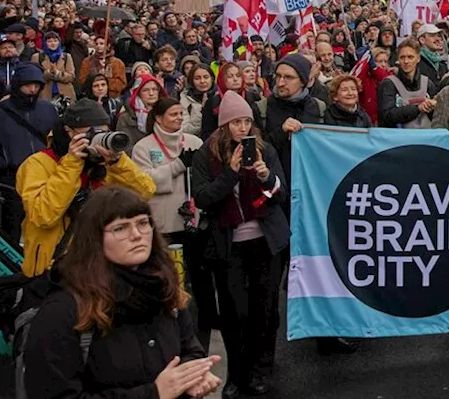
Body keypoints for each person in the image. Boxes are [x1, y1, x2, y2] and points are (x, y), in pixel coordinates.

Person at [20, 187, 222, 399]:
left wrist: (194, 375)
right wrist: (153, 394)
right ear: (95, 238)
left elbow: (190, 348)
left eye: (143, 223)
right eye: (120, 228)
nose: (137, 235)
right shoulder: (64, 309)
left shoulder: (162, 287)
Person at [190, 92, 290, 395]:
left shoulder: (264, 149)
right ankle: (237, 372)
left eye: (247, 121)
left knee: (266, 310)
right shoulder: (206, 155)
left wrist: (265, 176)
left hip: (266, 241)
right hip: (228, 244)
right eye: (236, 122)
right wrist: (231, 174)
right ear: (224, 125)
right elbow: (204, 198)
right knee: (235, 312)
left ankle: (262, 369)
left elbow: (281, 193)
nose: (243, 127)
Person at [16, 97, 157, 276]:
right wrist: (72, 164)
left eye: (103, 133)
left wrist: (118, 162)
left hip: (105, 265)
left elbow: (145, 193)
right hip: (56, 269)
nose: (96, 140)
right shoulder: (38, 164)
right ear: (69, 131)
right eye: (90, 134)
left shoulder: (107, 163)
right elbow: (43, 216)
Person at [129, 97, 217, 351]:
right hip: (164, 222)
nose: (179, 118)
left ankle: (208, 317)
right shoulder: (143, 147)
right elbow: (143, 182)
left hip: (193, 220)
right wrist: (178, 165)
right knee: (166, 275)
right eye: (173, 114)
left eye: (181, 114)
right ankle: (167, 320)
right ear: (157, 118)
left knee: (200, 273)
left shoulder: (194, 142)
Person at [0, 62, 61, 244]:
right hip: (11, 182)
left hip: (46, 179)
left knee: (46, 229)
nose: (32, 90)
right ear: (17, 85)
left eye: (37, 85)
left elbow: (57, 142)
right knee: (10, 233)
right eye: (27, 85)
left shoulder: (48, 110)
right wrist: (5, 162)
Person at [259, 54, 329, 189]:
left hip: (311, 187)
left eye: (288, 77)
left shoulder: (319, 108)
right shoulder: (262, 108)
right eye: (278, 76)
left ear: (303, 81)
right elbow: (258, 150)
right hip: (276, 190)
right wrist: (281, 132)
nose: (280, 82)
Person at [119, 73, 165, 148]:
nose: (151, 93)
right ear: (138, 93)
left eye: (154, 89)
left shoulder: (166, 113)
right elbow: (125, 147)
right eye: (145, 90)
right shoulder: (125, 118)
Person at [32, 29, 76, 102]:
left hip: (65, 96)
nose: (53, 43)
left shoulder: (66, 56)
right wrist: (49, 73)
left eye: (55, 41)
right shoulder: (37, 57)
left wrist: (57, 73)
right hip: (45, 95)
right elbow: (35, 77)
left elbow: (71, 77)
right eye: (49, 41)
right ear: (45, 43)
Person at [180, 63, 218, 137]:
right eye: (197, 78)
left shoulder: (220, 95)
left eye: (206, 77)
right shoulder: (185, 98)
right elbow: (184, 127)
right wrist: (202, 112)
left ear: (212, 78)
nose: (202, 81)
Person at [415, 25, 449, 90]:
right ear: (422, 40)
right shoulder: (416, 62)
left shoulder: (442, 63)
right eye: (432, 36)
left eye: (438, 35)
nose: (438, 39)